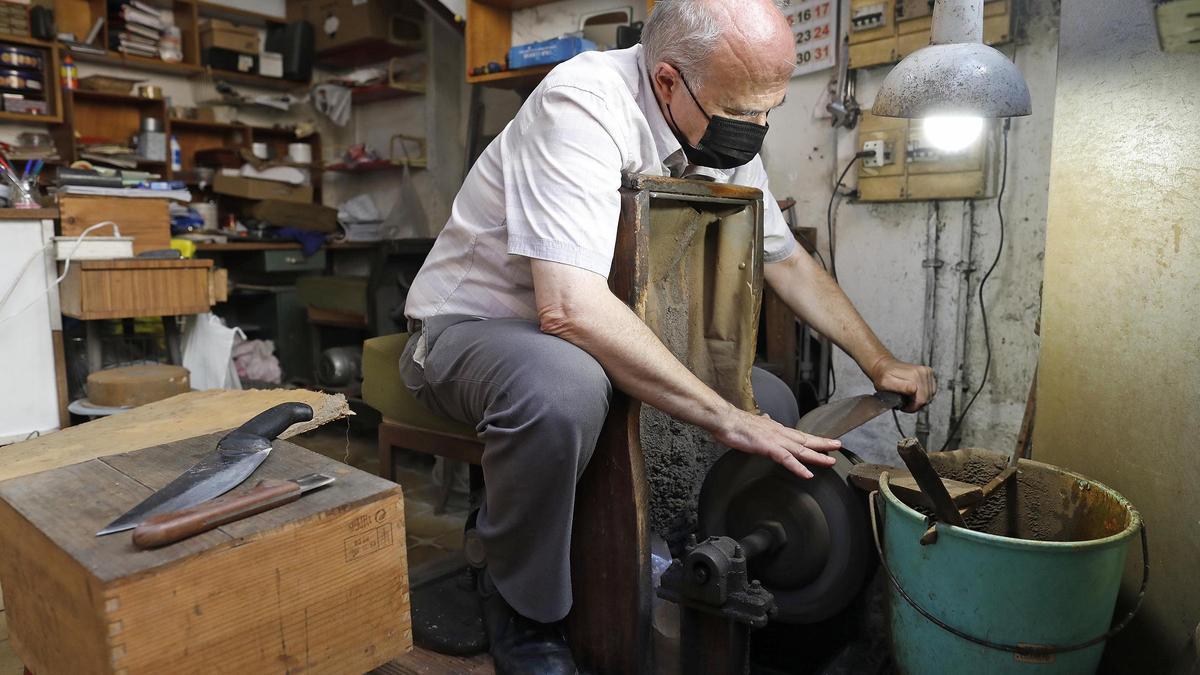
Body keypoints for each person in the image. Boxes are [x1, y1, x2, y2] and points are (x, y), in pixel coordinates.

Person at [400, 0, 936, 672]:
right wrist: (724, 418)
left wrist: (877, 361)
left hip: (576, 327)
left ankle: (681, 552)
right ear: (666, 82)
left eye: (769, 110)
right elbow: (568, 308)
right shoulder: (582, 105)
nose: (759, 128)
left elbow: (787, 260)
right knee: (563, 388)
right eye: (745, 112)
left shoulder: (717, 125)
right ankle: (522, 605)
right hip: (470, 331)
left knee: (766, 392)